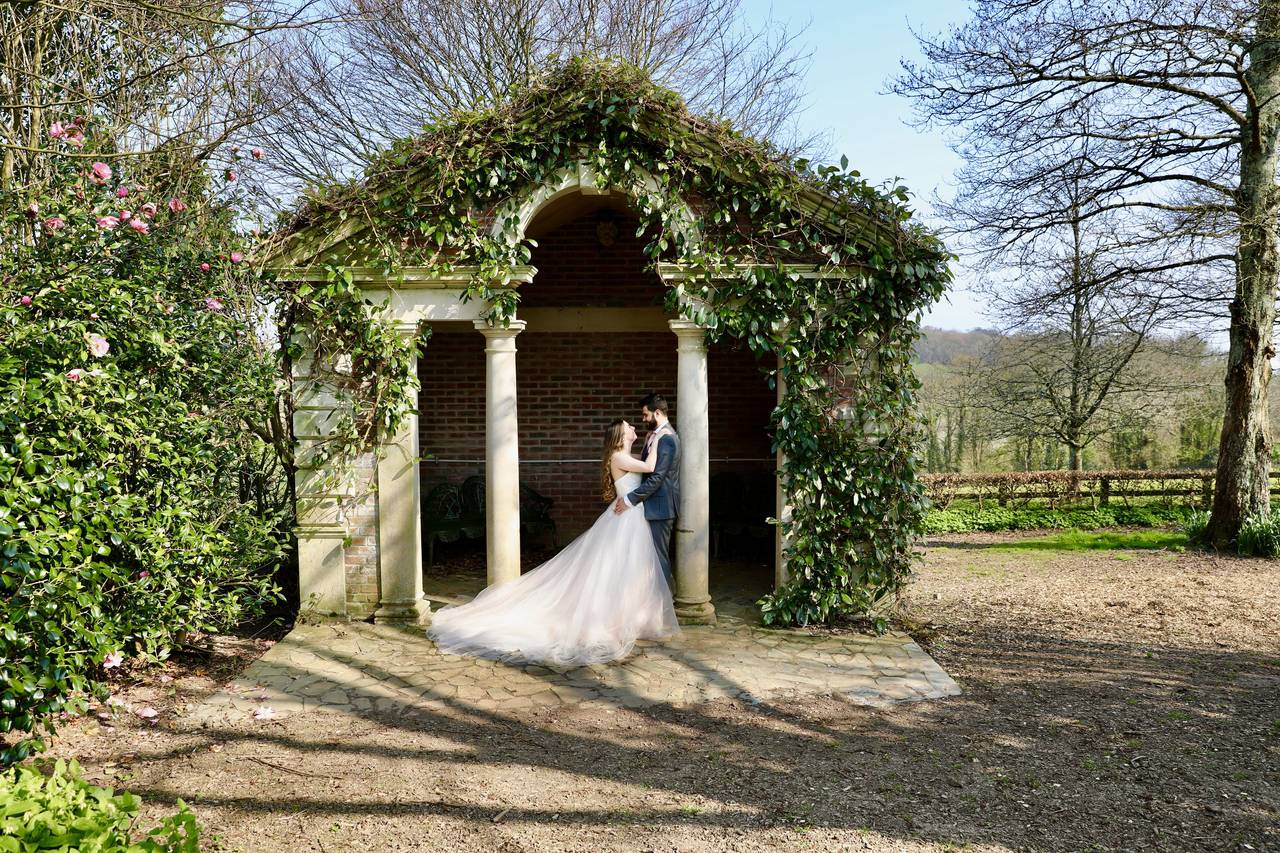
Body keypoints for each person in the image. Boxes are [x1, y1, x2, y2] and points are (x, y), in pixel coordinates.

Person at [426, 418, 680, 666]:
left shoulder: (625, 456)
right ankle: (609, 620)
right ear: (620, 436)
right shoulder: (619, 456)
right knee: (613, 570)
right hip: (626, 518)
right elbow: (649, 468)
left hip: (631, 517)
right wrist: (658, 440)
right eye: (628, 427)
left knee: (628, 571)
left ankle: (630, 618)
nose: (633, 427)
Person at [613, 393, 679, 588]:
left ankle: (663, 604)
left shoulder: (666, 438)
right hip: (647, 507)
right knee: (646, 559)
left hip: (660, 507)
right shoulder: (654, 436)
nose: (643, 419)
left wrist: (629, 499)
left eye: (645, 415)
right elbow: (642, 466)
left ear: (657, 413)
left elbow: (657, 476)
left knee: (658, 559)